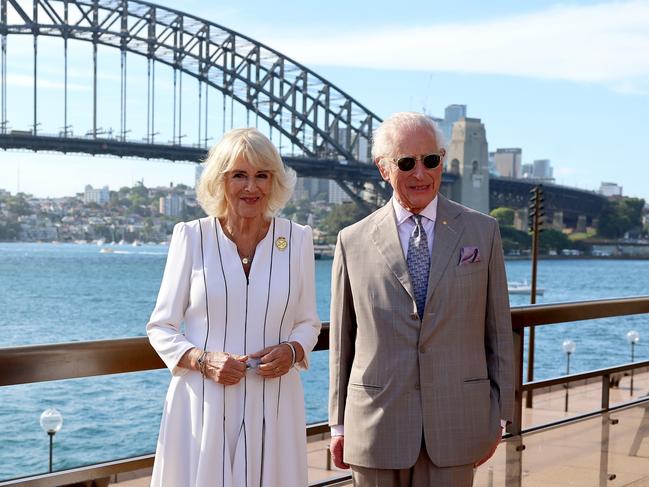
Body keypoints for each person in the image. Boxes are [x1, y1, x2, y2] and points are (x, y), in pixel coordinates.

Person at [328, 112, 514, 486]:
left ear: (442, 161)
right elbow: (342, 341)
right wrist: (338, 423)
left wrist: (499, 416)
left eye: (431, 160)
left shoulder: (483, 231)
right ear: (383, 169)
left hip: (459, 422)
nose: (421, 173)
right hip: (375, 426)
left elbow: (499, 332)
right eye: (406, 163)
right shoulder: (352, 240)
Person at [147, 128, 321, 486]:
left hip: (274, 402)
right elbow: (161, 326)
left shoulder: (298, 238)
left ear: (275, 182)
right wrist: (201, 360)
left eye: (262, 175)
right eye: (239, 175)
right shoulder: (192, 237)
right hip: (203, 404)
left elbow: (308, 322)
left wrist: (292, 350)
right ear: (220, 180)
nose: (251, 187)